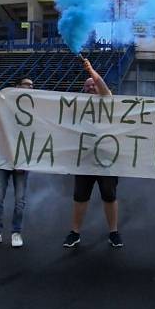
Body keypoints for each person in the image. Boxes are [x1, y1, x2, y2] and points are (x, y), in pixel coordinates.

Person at [62, 58, 124, 249]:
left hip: (106, 158)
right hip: (85, 160)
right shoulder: (79, 105)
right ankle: (75, 232)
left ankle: (113, 232)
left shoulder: (107, 101)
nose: (90, 87)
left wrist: (92, 72)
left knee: (109, 196)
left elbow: (104, 89)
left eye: (93, 84)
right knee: (80, 197)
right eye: (87, 86)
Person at [0, 77, 34, 248]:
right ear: (16, 87)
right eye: (25, 85)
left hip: (21, 161)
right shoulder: (4, 106)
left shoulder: (34, 108)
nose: (29, 88)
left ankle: (16, 232)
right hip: (2, 160)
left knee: (20, 200)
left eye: (31, 86)